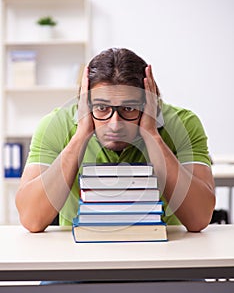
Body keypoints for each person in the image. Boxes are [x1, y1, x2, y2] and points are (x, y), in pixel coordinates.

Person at [15, 47, 215, 233]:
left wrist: (152, 135)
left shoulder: (183, 124)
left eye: (129, 108)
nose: (115, 124)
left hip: (163, 256)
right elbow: (32, 219)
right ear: (85, 104)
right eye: (102, 108)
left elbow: (198, 219)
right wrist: (81, 135)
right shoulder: (56, 125)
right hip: (79, 258)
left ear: (148, 105)